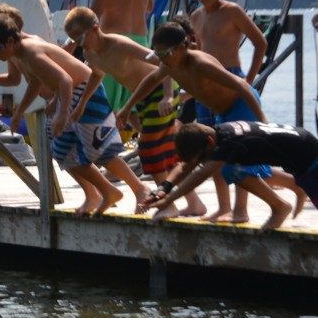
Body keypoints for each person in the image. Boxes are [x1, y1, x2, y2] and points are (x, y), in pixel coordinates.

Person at [0, 17, 149, 215]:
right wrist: (19, 113)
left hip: (85, 90)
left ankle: (140, 189)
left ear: (9, 41)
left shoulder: (31, 51)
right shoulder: (19, 54)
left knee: (99, 149)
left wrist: (62, 112)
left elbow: (65, 80)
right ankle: (101, 193)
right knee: (63, 152)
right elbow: (34, 82)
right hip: (64, 96)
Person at [118, 21, 280, 223]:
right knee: (216, 158)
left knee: (239, 162)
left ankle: (242, 210)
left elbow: (241, 86)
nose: (161, 60)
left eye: (164, 54)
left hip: (242, 105)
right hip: (222, 110)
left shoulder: (200, 64)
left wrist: (262, 120)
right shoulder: (170, 64)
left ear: (182, 47)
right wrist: (126, 108)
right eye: (157, 55)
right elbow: (151, 80)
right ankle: (226, 207)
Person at [62, 6, 197, 214]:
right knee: (165, 150)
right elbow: (96, 75)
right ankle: (194, 203)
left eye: (80, 38)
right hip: (141, 97)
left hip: (161, 90)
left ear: (95, 28)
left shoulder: (119, 44)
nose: (79, 45)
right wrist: (81, 105)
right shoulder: (92, 53)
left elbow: (163, 60)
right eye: (74, 40)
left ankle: (167, 204)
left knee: (150, 148)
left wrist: (169, 95)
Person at [145, 121, 318, 230]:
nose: (203, 162)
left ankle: (280, 206)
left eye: (203, 158)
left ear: (210, 143)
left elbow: (199, 175)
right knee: (232, 170)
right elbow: (185, 167)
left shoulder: (228, 144)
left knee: (230, 170)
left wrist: (168, 200)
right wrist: (164, 188)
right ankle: (283, 203)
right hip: (301, 147)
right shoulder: (219, 132)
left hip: (309, 160)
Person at [187, 0, 267, 89]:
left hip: (230, 74)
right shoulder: (195, 16)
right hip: (205, 77)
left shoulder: (232, 11)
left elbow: (260, 43)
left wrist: (248, 81)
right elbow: (200, 51)